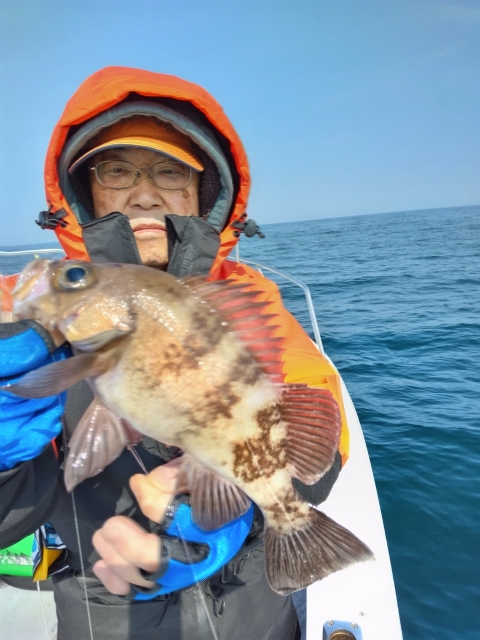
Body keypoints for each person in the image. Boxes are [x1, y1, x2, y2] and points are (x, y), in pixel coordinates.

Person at [0, 66, 350, 640]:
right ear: (85, 191)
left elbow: (316, 440)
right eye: (117, 170)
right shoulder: (28, 311)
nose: (144, 193)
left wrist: (234, 513)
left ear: (202, 194)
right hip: (105, 607)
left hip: (254, 604)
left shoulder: (250, 296)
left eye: (170, 171)